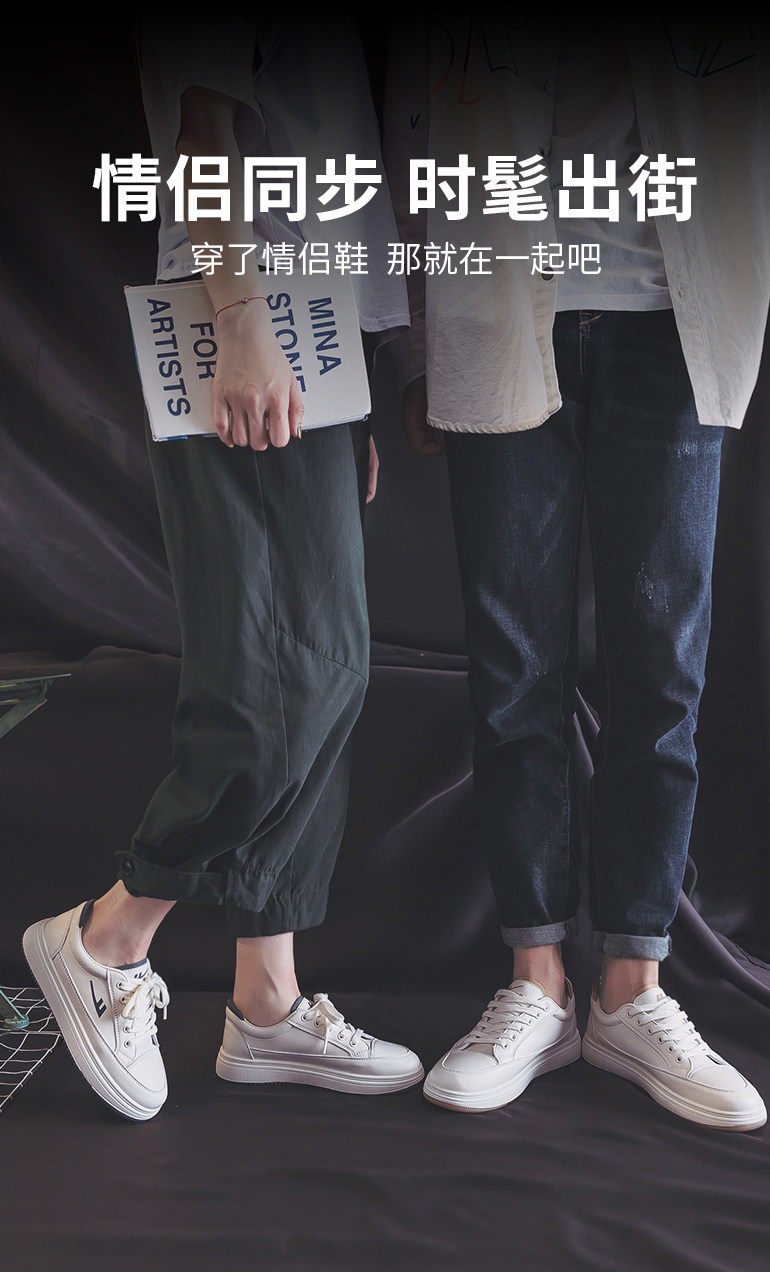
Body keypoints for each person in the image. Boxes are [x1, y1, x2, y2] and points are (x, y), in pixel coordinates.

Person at [23, 10, 423, 1121]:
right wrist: (242, 317)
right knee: (275, 684)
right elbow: (203, 124)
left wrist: (347, 397)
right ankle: (108, 939)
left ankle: (267, 1003)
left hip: (310, 338)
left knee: (325, 672)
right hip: (243, 320)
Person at [391, 12, 770, 1126]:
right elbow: (410, 112)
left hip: (677, 313)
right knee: (512, 660)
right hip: (494, 304)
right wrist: (417, 342)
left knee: (662, 662)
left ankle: (631, 989)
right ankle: (536, 985)